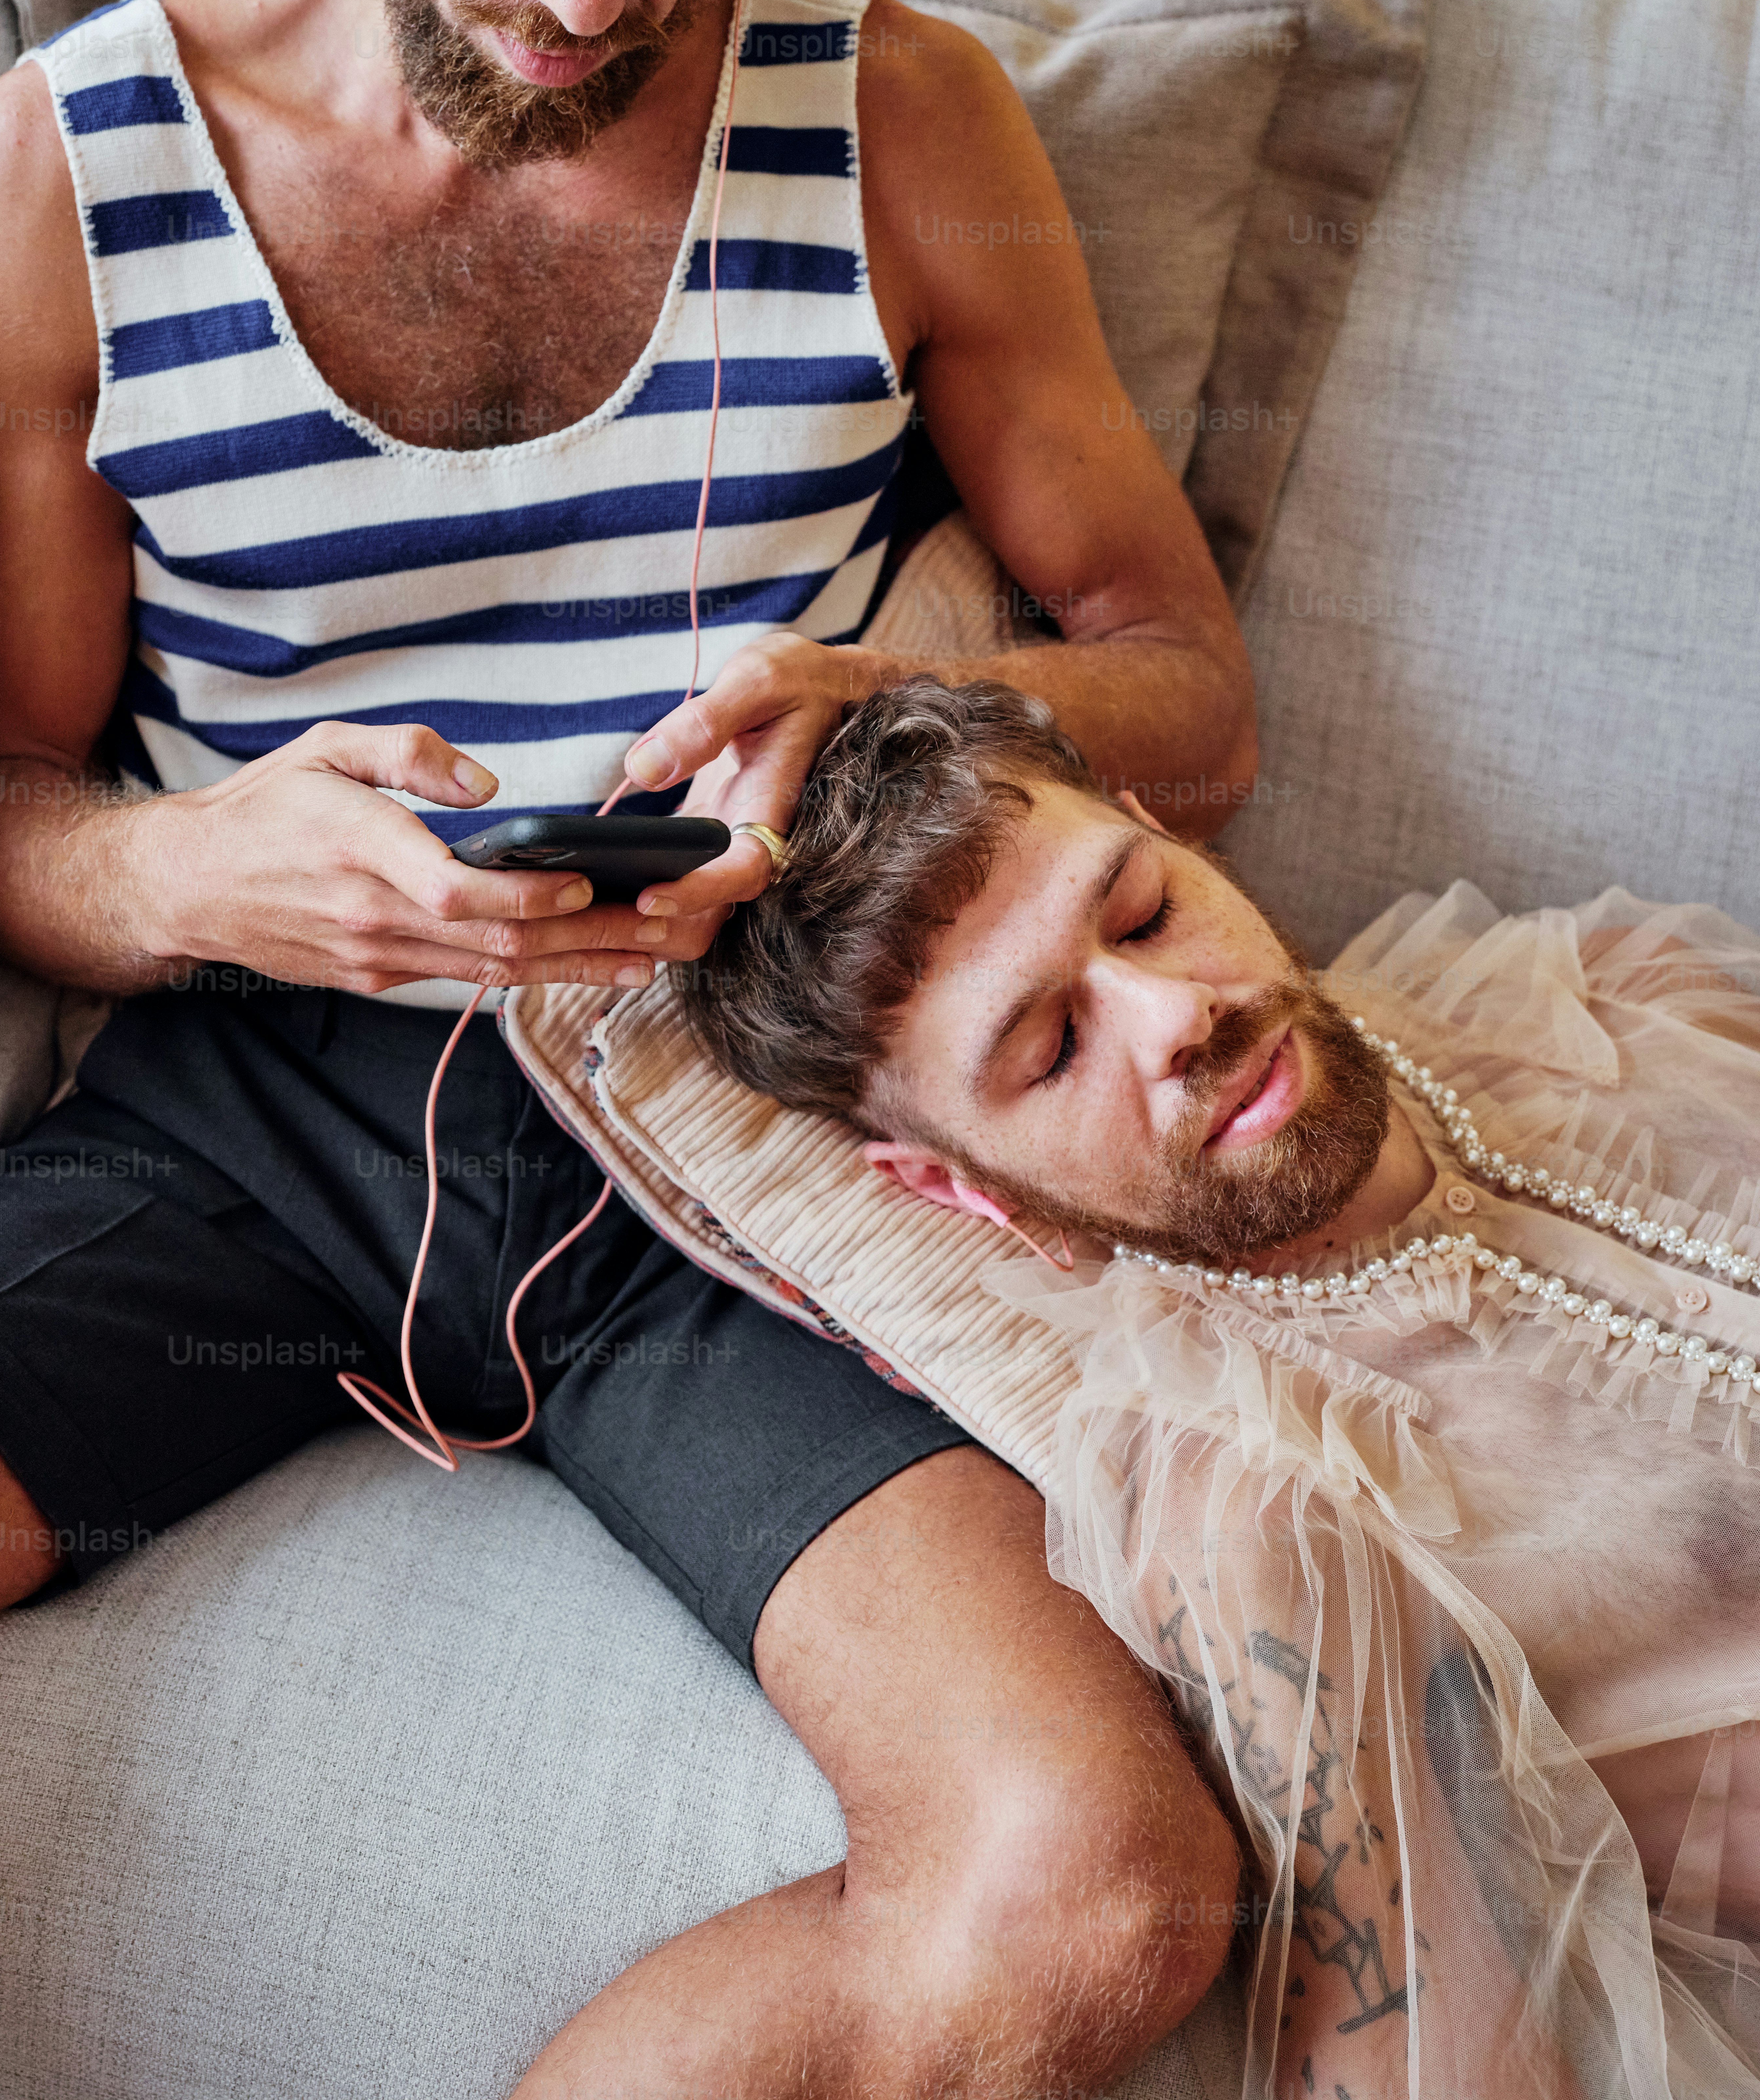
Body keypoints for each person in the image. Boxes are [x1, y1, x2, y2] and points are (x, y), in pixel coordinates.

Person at [0, 0, 1257, 2092]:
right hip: (246, 1113)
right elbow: (16, 817)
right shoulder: (68, 172)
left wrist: (889, 704)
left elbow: (1186, 680)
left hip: (740, 1136)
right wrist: (212, 871)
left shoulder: (904, 124)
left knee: (1096, 1882)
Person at [678, 674, 1760, 2100]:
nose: (1177, 1013)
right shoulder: (1259, 1506)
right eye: (1053, 1046)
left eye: (1143, 911)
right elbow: (1433, 2061)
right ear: (950, 1187)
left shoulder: (1608, 989)